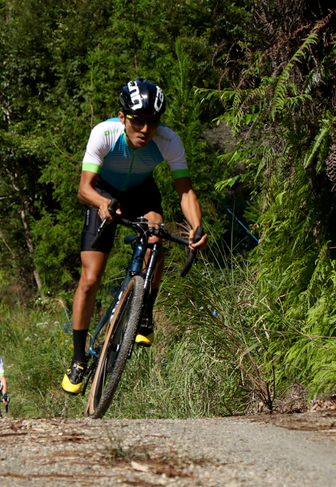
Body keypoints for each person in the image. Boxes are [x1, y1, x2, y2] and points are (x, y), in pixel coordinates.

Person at [61, 78, 208, 395]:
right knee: (90, 278)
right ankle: (77, 359)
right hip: (103, 193)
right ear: (123, 116)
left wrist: (196, 225)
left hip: (142, 193)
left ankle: (144, 313)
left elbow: (185, 190)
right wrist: (102, 203)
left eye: (152, 122)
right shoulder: (105, 133)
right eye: (137, 121)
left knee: (156, 233)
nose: (145, 129)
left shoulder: (168, 140)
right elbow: (84, 188)